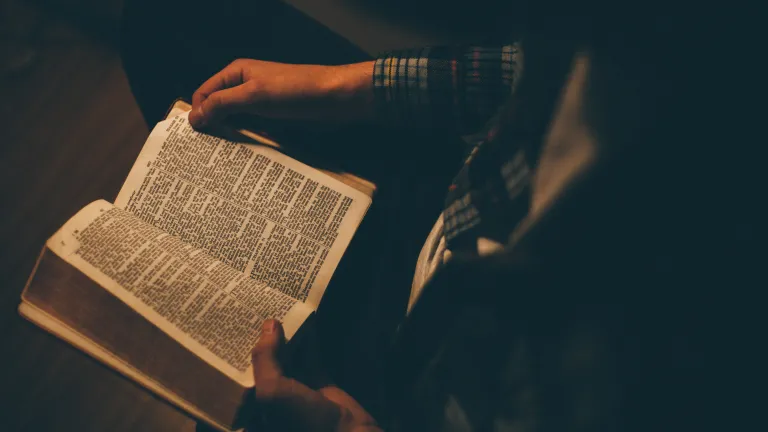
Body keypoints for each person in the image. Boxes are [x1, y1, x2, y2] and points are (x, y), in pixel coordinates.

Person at [121, 1, 753, 431]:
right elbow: (523, 69)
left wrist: (351, 426)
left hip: (414, 376)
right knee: (170, 18)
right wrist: (337, 87)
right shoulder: (633, 37)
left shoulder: (680, 341)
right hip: (450, 201)